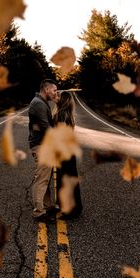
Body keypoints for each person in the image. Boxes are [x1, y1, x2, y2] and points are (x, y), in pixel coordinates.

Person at [28, 78, 58, 222]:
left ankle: (46, 205)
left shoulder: (41, 102)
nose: (55, 93)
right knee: (41, 179)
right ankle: (39, 212)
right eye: (54, 90)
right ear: (46, 89)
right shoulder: (39, 104)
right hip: (41, 146)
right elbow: (47, 128)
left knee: (46, 178)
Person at [53, 91, 83, 219]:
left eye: (58, 96)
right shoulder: (68, 114)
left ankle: (69, 211)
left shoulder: (61, 115)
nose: (56, 96)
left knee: (64, 180)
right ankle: (76, 208)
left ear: (63, 100)